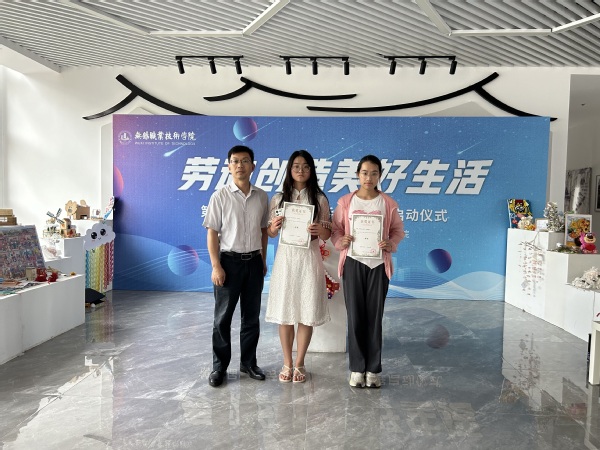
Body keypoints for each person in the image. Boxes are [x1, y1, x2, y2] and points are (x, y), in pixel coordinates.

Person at [331, 154, 405, 388]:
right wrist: (341, 241)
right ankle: (357, 368)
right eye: (364, 173)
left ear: (380, 176)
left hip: (378, 265)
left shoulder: (388, 203)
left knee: (374, 317)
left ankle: (373, 369)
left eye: (374, 173)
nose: (369, 178)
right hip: (353, 262)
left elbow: (398, 231)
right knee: (355, 316)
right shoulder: (346, 202)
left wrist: (391, 244)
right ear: (357, 174)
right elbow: (335, 229)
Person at [202, 145, 269, 387]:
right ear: (229, 166)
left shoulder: (261, 197)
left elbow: (264, 231)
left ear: (253, 166)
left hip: (254, 263)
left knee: (251, 317)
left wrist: (263, 260)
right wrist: (216, 266)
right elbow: (212, 233)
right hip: (228, 263)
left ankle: (248, 363)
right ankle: (219, 368)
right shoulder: (219, 196)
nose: (240, 165)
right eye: (235, 161)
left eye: (245, 161)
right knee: (222, 319)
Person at [266, 150, 332, 383]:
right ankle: (287, 362)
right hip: (286, 259)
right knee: (285, 313)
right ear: (290, 170)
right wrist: (274, 227)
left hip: (309, 259)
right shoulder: (278, 199)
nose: (301, 170)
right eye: (296, 166)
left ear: (311, 170)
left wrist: (319, 230)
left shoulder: (320, 199)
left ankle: (300, 363)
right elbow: (270, 233)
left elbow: (328, 233)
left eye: (305, 166)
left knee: (306, 311)